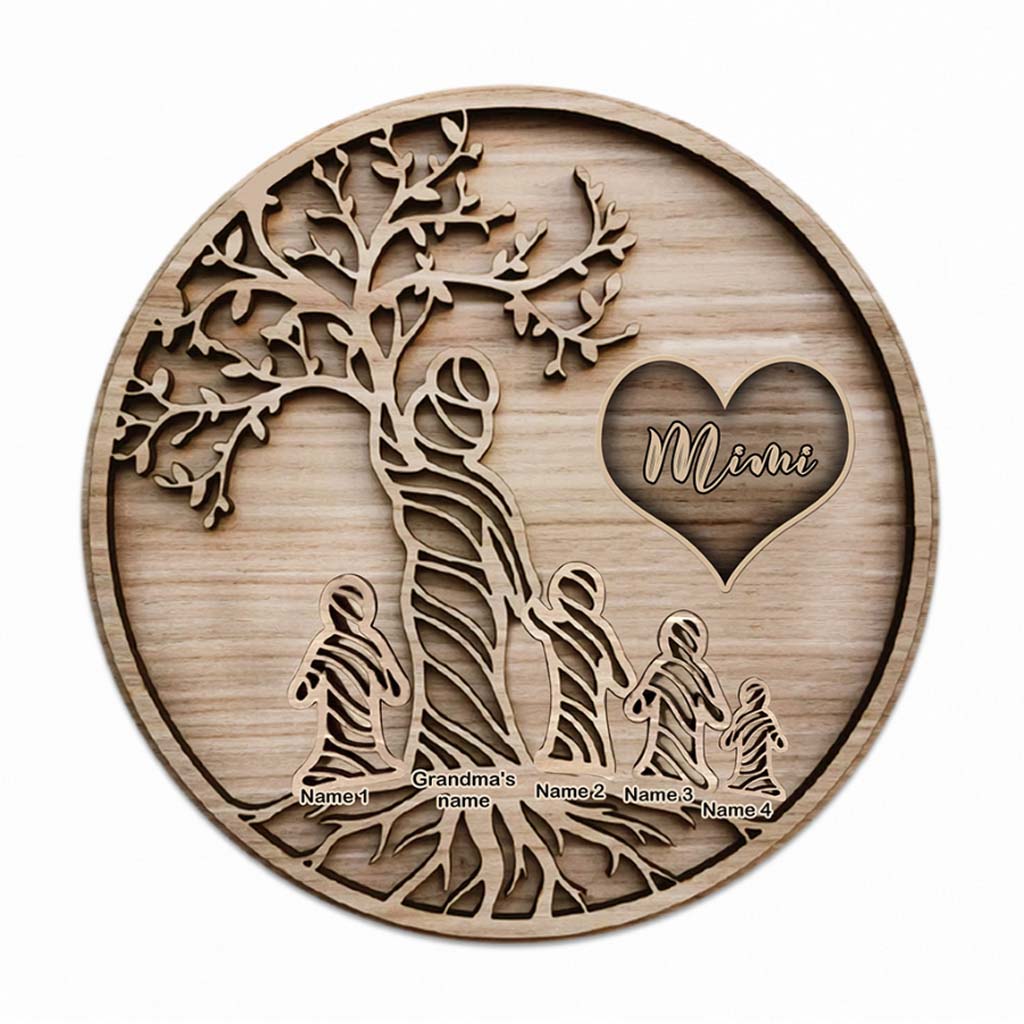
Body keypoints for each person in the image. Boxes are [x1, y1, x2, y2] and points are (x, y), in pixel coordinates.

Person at [288, 574, 409, 788]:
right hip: (361, 744)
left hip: (341, 746)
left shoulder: (325, 647)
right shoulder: (369, 647)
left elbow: (301, 696)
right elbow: (395, 694)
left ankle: (340, 766)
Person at [524, 562, 636, 775]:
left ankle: (577, 757)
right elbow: (623, 683)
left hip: (572, 697)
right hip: (588, 701)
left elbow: (530, 611)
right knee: (584, 725)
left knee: (570, 722)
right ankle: (593, 760)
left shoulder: (556, 625)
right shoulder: (600, 635)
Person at [625, 611, 730, 792]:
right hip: (668, 749)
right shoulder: (688, 673)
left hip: (679, 747)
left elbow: (636, 711)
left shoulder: (666, 670)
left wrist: (702, 705)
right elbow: (635, 710)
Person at [720, 677, 787, 799]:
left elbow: (728, 743)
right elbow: (780, 744)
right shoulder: (764, 718)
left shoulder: (743, 718)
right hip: (751, 767)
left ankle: (750, 782)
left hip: (753, 768)